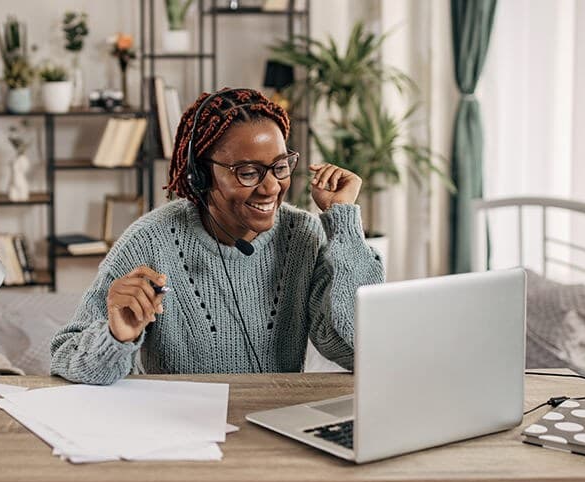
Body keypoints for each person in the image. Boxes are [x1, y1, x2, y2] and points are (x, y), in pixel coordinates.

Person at [50, 88, 385, 384]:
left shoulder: (304, 236)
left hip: (273, 425)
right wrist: (116, 337)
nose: (271, 188)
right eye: (249, 172)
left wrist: (343, 222)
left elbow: (360, 350)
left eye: (280, 166)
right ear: (200, 175)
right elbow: (65, 357)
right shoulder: (149, 241)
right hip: (177, 432)